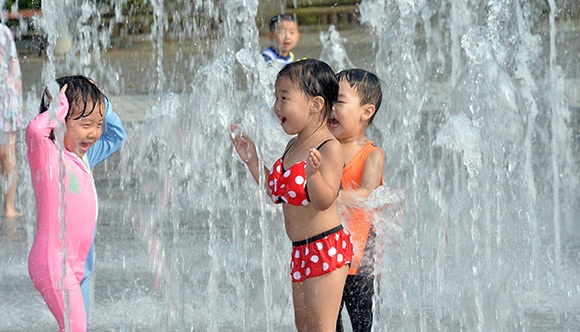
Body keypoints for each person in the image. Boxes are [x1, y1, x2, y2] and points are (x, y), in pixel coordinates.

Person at [231, 59, 353, 331]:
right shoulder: (292, 145)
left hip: (326, 248)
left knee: (322, 327)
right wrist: (251, 159)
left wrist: (313, 177)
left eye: (284, 98)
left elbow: (324, 200)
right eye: (276, 98)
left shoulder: (329, 147)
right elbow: (276, 192)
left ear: (316, 104)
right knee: (305, 326)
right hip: (300, 251)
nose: (276, 107)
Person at [26, 75, 126, 332]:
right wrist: (58, 107)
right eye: (85, 124)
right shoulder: (49, 155)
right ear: (60, 120)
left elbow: (117, 136)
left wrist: (102, 101)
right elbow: (35, 131)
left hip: (79, 266)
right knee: (76, 327)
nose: (93, 133)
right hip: (54, 263)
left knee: (80, 327)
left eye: (98, 124)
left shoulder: (82, 155)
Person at [328, 69, 384, 332]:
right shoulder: (325, 148)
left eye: (338, 100)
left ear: (366, 111)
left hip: (359, 258)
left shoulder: (371, 155)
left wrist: (329, 197)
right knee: (329, 318)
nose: (330, 106)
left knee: (361, 320)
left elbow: (366, 193)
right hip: (327, 254)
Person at [0, 23, 22, 219]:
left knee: (7, 151)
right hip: (7, 100)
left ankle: (9, 206)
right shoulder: (3, 31)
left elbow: (14, 69)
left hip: (5, 100)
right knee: (7, 152)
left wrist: (17, 103)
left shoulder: (3, 32)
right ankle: (9, 208)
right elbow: (15, 70)